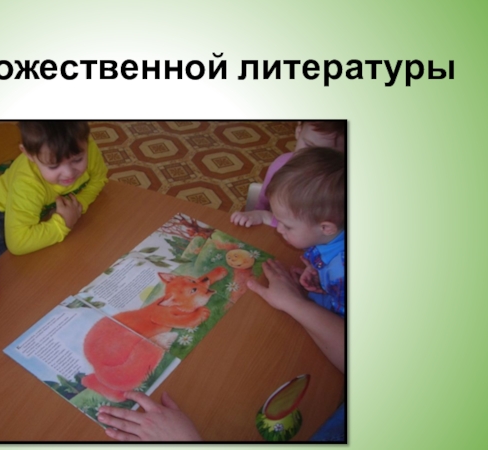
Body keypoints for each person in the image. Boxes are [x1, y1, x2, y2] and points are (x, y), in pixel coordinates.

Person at [98, 148, 345, 441]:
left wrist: (295, 303)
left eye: (287, 225)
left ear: (326, 226)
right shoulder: (331, 238)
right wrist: (319, 277)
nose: (279, 230)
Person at [0, 121, 108, 260]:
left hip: (47, 204)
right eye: (53, 166)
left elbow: (99, 179)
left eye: (77, 160)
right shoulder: (27, 184)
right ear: (28, 154)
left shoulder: (80, 143)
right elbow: (17, 243)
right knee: (3, 266)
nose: (69, 174)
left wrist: (78, 205)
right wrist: (63, 222)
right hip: (2, 211)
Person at [231, 120, 345, 228]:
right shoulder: (280, 165)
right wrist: (257, 215)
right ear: (298, 131)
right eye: (309, 145)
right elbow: (263, 202)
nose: (312, 159)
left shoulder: (338, 186)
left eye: (327, 156)